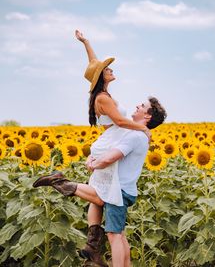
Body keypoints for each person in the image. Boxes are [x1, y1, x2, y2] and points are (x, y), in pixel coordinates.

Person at [33, 97, 167, 267]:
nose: (137, 106)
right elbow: (107, 147)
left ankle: (61, 182)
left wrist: (94, 164)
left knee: (114, 235)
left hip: (118, 191)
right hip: (118, 188)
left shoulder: (135, 136)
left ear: (147, 116)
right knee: (120, 233)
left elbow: (111, 156)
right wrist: (93, 157)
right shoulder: (134, 133)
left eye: (142, 106)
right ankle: (104, 253)